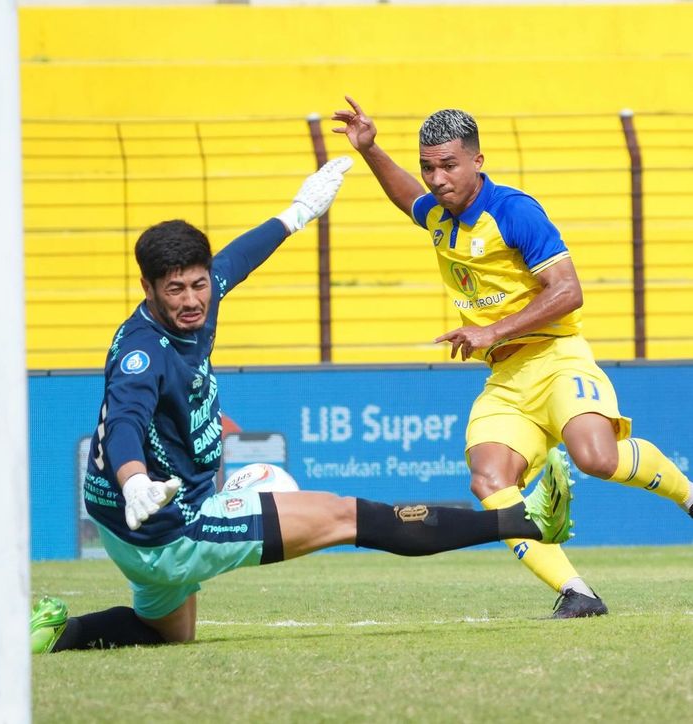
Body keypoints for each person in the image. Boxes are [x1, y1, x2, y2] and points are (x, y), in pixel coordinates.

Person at [31, 157, 575, 654]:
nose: (193, 300)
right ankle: (523, 520)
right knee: (348, 517)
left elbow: (238, 259)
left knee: (167, 632)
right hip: (164, 523)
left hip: (135, 526)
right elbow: (124, 418)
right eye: (176, 290)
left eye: (199, 285)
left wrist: (297, 213)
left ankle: (58, 632)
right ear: (147, 289)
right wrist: (133, 482)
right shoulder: (142, 353)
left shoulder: (197, 299)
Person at [332, 96, 693, 618]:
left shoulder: (514, 210)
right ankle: (577, 592)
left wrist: (491, 330)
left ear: (478, 161)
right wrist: (370, 150)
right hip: (506, 379)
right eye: (428, 166)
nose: (436, 178)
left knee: (597, 458)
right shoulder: (438, 213)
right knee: (489, 481)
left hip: (557, 358)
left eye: (449, 165)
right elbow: (406, 196)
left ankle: (688, 495)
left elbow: (568, 290)